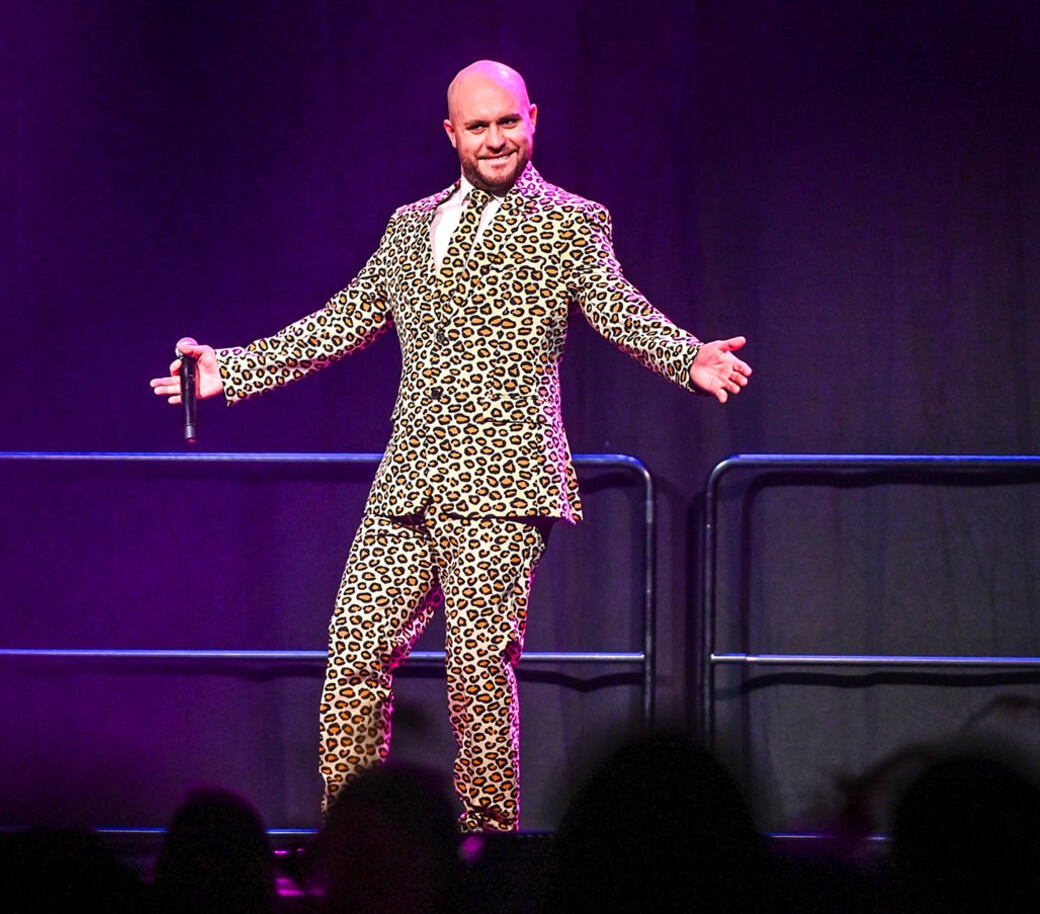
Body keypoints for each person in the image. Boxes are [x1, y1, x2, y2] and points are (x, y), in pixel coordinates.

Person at [152, 60, 751, 831]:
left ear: (532, 119)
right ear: (451, 133)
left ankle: (487, 850)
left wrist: (686, 355)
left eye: (508, 122)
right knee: (354, 653)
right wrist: (229, 371)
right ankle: (353, 838)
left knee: (476, 670)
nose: (495, 139)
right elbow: (338, 323)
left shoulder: (570, 222)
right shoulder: (410, 226)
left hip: (504, 484)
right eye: (478, 126)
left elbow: (616, 307)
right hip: (410, 481)